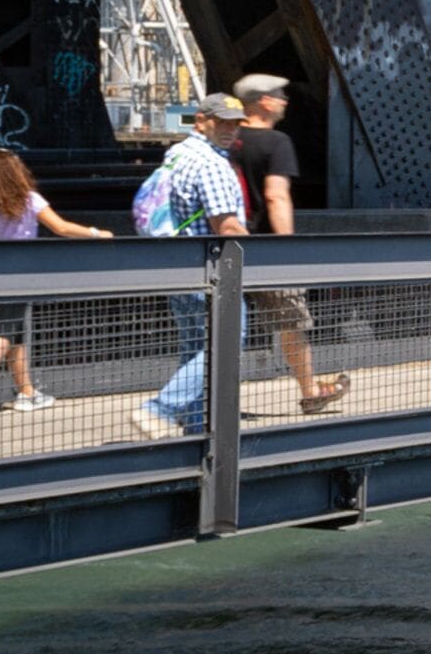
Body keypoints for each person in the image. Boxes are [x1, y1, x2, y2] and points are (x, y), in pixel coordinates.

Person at [0, 147, 110, 417]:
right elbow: (62, 228)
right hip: (22, 278)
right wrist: (97, 233)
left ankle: (27, 392)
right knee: (4, 333)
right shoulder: (31, 201)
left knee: (16, 335)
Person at [128, 97, 253, 442]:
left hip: (179, 265)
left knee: (196, 345)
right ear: (201, 120)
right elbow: (226, 226)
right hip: (211, 268)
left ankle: (197, 430)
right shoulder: (211, 164)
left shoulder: (178, 154)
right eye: (222, 121)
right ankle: (160, 409)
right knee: (227, 343)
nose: (231, 129)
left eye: (236, 123)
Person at [229, 73, 346, 414]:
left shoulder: (229, 139)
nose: (285, 99)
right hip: (266, 250)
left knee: (224, 323)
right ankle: (311, 392)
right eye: (279, 95)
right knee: (292, 322)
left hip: (226, 245)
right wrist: (287, 246)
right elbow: (277, 196)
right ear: (264, 101)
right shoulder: (276, 142)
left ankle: (208, 400)